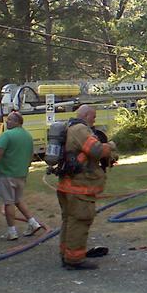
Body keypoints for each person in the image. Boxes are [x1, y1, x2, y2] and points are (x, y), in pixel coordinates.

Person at [57, 105, 118, 270]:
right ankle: (75, 260)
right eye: (93, 116)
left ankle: (66, 254)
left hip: (67, 186)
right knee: (80, 222)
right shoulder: (80, 129)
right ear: (85, 115)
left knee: (69, 221)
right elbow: (96, 150)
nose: (94, 120)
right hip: (79, 188)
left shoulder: (70, 127)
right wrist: (111, 146)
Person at [0, 111, 43, 240]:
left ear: (17, 122)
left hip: (6, 174)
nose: (7, 122)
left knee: (8, 202)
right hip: (21, 174)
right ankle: (33, 223)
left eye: (10, 120)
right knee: (18, 200)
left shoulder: (7, 135)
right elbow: (30, 155)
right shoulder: (27, 136)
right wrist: (25, 169)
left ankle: (12, 232)